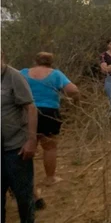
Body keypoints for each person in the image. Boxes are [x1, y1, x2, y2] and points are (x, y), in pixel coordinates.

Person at [20, 52, 80, 190]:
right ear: (51, 62)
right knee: (49, 147)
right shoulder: (56, 74)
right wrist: (76, 102)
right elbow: (73, 90)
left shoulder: (23, 73)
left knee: (28, 146)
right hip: (49, 112)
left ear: (35, 60)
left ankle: (26, 181)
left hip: (26, 112)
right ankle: (50, 178)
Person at [1, 50, 38, 223]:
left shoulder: (13, 76)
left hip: (15, 148)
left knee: (24, 196)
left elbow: (30, 108)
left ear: (2, 57)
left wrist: (31, 140)